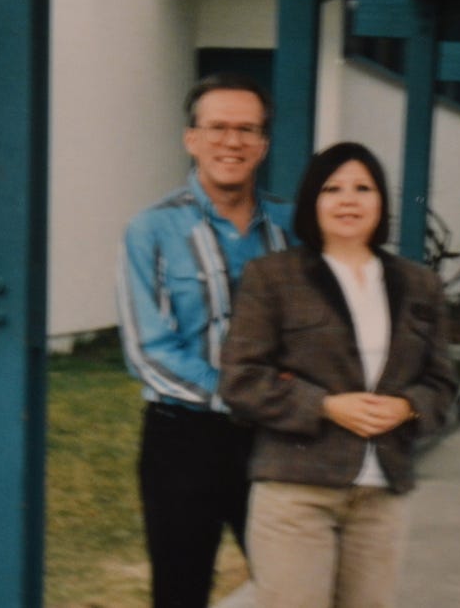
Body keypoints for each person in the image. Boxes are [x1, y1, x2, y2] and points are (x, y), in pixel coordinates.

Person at [219, 141, 460, 608]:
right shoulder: (272, 277)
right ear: (313, 201)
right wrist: (326, 405)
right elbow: (241, 379)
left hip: (381, 495)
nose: (348, 200)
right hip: (296, 491)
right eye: (333, 189)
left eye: (363, 188)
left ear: (381, 203)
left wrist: (407, 406)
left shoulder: (419, 284)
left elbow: (443, 383)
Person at [116, 73, 297, 608]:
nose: (232, 142)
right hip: (184, 439)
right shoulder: (150, 229)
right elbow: (147, 351)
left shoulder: (291, 228)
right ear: (190, 138)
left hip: (274, 440)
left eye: (247, 129)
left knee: (293, 587)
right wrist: (244, 391)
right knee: (180, 591)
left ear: (263, 144)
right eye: (217, 127)